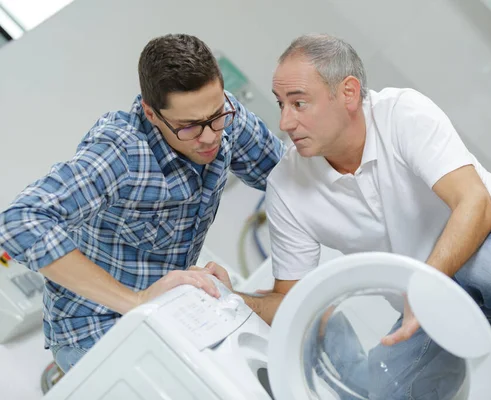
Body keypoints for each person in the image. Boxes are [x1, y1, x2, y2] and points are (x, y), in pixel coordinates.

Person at [219, 34, 491, 399]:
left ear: (348, 93)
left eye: (298, 103)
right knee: (385, 392)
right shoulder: (287, 187)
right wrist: (230, 298)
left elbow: (476, 206)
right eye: (280, 104)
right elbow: (293, 301)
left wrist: (424, 285)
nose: (284, 122)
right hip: (429, 302)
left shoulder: (400, 113)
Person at [0, 33, 284, 373]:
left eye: (216, 115)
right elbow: (20, 221)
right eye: (189, 127)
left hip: (168, 312)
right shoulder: (122, 150)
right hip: (94, 330)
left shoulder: (225, 117)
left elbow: (290, 181)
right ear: (151, 113)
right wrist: (136, 302)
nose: (209, 136)